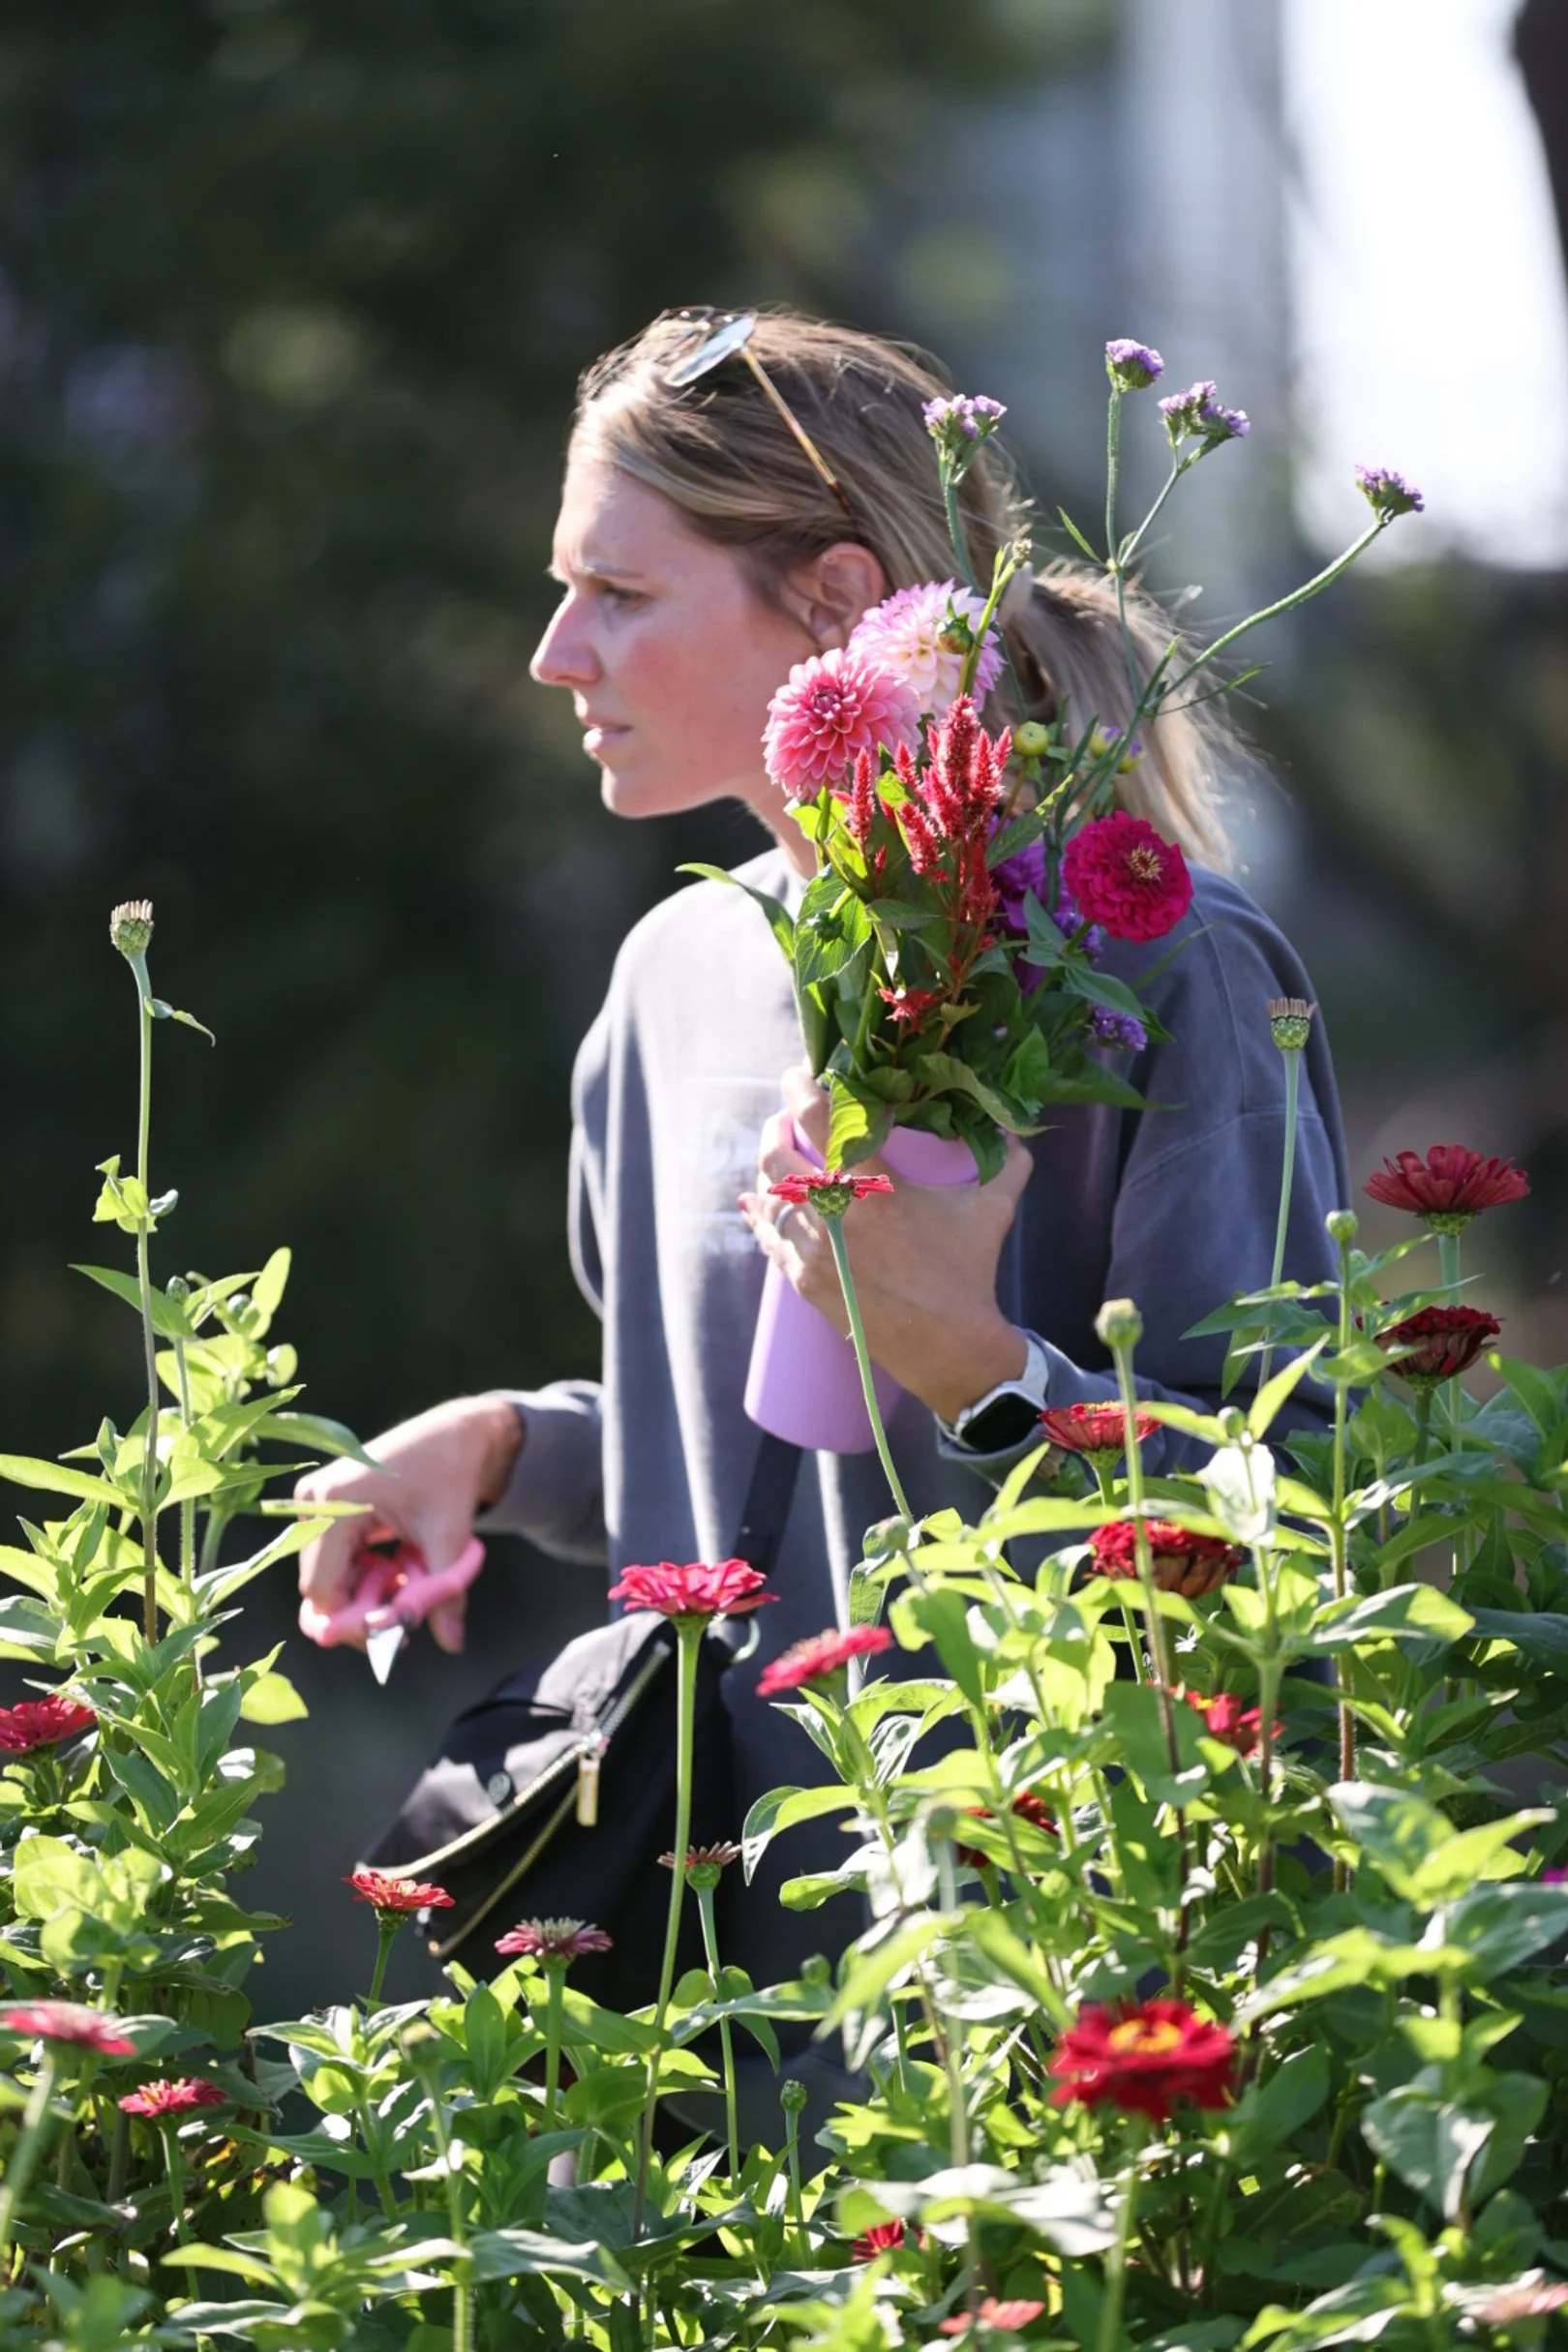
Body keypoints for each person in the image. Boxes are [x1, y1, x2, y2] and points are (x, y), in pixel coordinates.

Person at [295, 307, 1347, 2124]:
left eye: (618, 593)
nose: (555, 654)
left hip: (1065, 2009)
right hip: (705, 2015)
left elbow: (1308, 1525)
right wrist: (505, 1446)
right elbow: (742, 1460)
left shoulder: (1162, 966)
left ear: (830, 597)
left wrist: (997, 1375)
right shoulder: (668, 976)